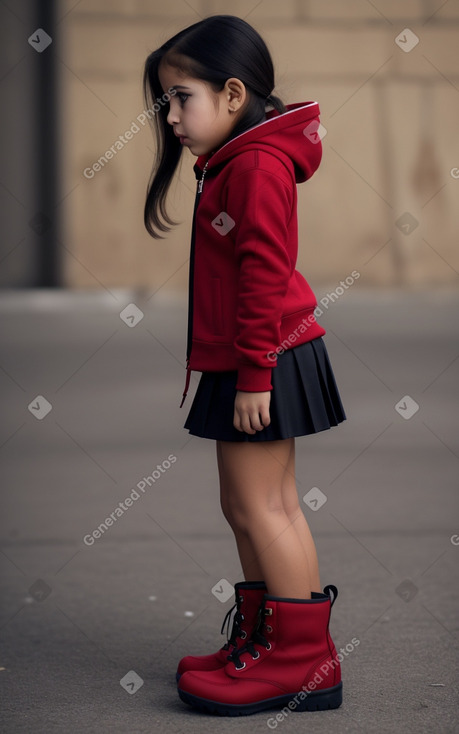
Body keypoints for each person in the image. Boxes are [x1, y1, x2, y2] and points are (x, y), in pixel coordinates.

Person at [143, 14, 346, 717]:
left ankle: (299, 663)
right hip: (255, 352)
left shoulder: (256, 165)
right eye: (164, 102)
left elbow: (264, 272)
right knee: (251, 505)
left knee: (263, 507)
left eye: (181, 98)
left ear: (233, 94)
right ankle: (266, 642)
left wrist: (255, 374)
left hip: (265, 355)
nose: (170, 116)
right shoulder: (237, 160)